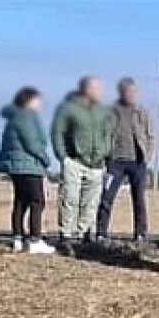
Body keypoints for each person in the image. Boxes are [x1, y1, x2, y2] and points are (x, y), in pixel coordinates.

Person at [0, 86, 56, 255]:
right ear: (29, 100)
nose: (41, 103)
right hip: (29, 165)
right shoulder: (26, 117)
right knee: (37, 201)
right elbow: (32, 143)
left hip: (15, 166)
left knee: (20, 201)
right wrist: (45, 159)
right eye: (37, 100)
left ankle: (18, 238)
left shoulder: (13, 117)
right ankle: (35, 239)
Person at [51, 76, 113, 243]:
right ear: (85, 89)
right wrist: (63, 156)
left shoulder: (103, 111)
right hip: (74, 160)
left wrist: (107, 153)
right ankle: (67, 233)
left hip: (97, 164)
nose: (99, 92)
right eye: (95, 88)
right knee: (70, 197)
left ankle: (84, 233)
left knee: (91, 201)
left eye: (100, 89)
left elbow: (108, 134)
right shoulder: (68, 109)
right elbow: (58, 132)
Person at [96, 77, 156, 243]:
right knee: (107, 197)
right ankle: (101, 232)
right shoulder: (110, 112)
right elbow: (101, 134)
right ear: (120, 92)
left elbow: (151, 135)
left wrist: (147, 156)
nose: (130, 95)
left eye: (133, 92)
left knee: (139, 199)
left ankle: (140, 233)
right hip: (115, 162)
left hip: (137, 162)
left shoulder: (142, 112)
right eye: (127, 91)